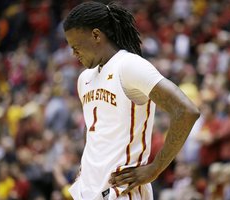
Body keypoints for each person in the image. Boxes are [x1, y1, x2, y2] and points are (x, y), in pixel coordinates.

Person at [63, 1, 200, 200]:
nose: (73, 53)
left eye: (76, 46)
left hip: (122, 191)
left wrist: (155, 168)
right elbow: (93, 127)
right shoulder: (84, 78)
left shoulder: (129, 66)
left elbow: (186, 111)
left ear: (96, 35)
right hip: (88, 190)